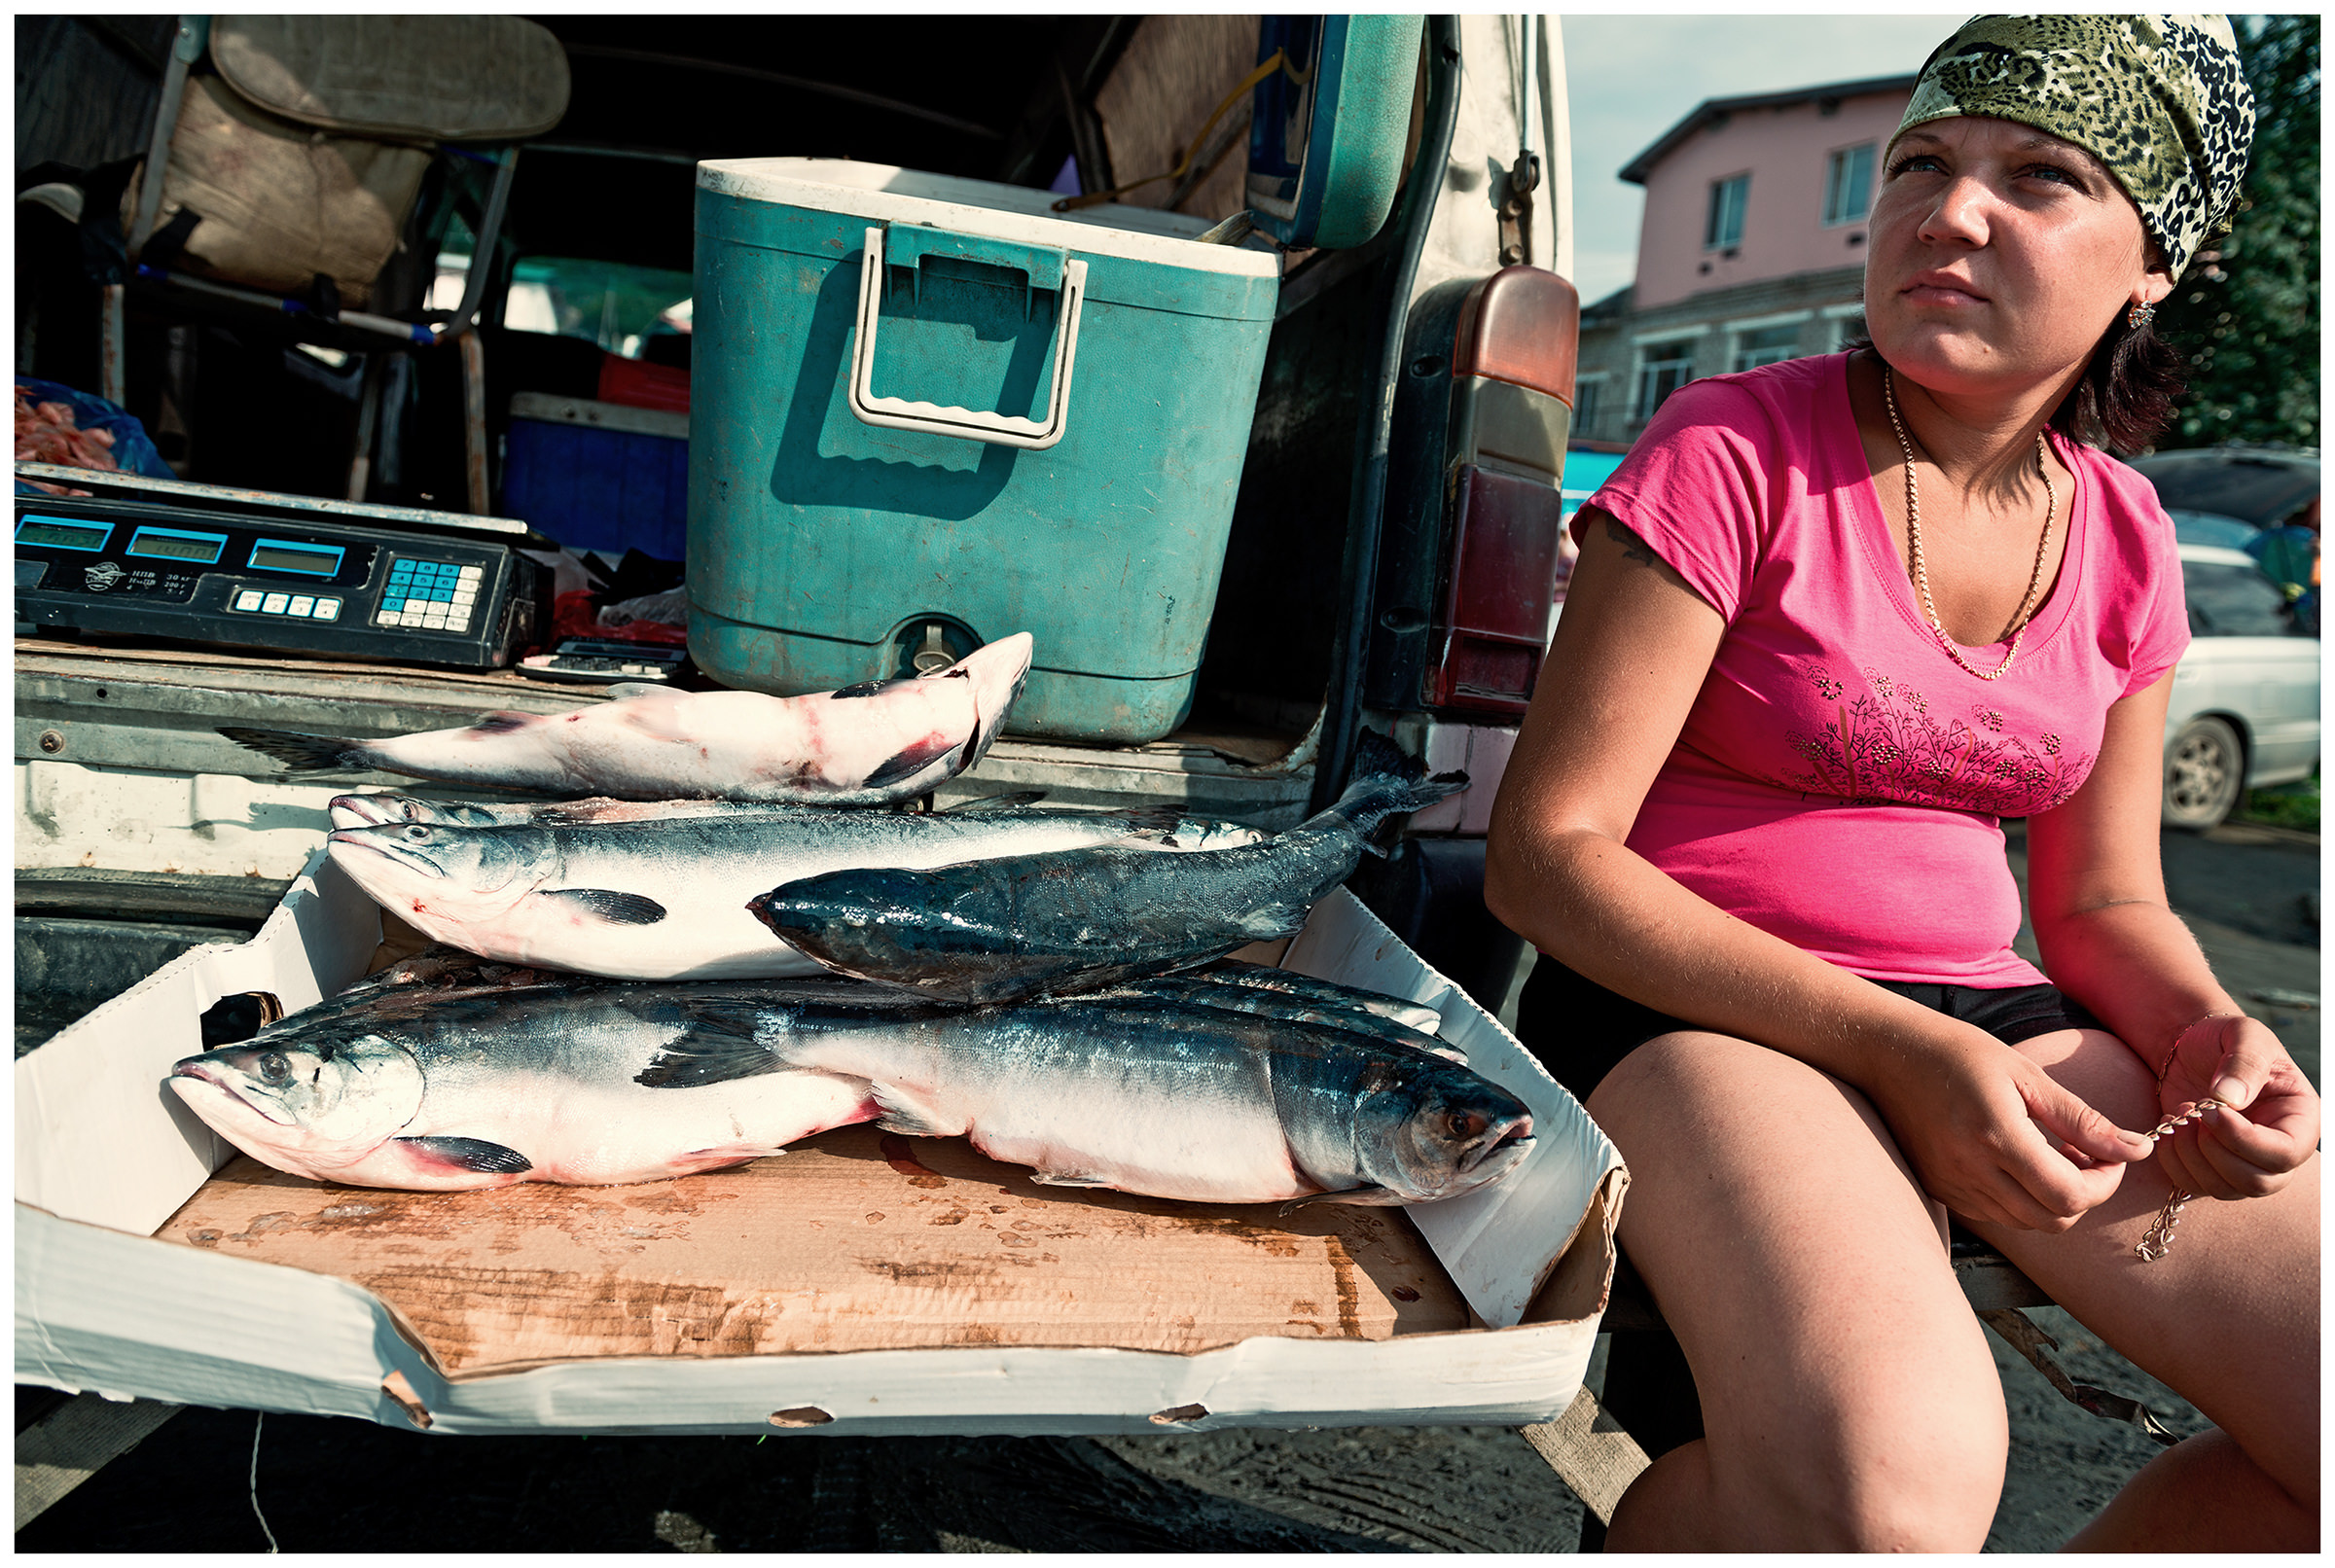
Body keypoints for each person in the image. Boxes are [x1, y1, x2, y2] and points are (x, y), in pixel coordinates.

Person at [1485, 16, 2317, 1551]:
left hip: (1987, 1023)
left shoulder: (2130, 537)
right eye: (1922, 164)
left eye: (2041, 177)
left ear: (2155, 264)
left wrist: (2204, 1029)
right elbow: (1549, 856)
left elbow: (2104, 901)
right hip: (1695, 1013)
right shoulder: (1733, 446)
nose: (1952, 211)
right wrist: (1899, 1049)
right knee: (1891, 1494)